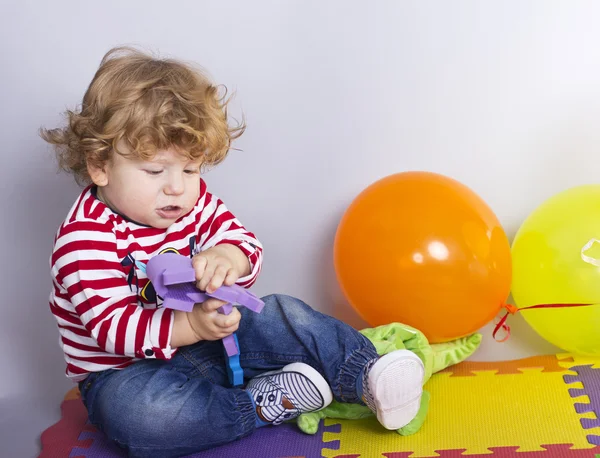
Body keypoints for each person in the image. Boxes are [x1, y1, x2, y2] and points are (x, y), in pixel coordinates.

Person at [42, 46, 425, 457]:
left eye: (190, 169)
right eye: (155, 171)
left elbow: (245, 243)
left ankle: (367, 372)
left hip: (212, 342)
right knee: (142, 418)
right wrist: (191, 326)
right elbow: (114, 328)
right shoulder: (84, 240)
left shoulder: (193, 201)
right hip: (129, 374)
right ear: (100, 166)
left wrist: (228, 256)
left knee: (281, 312)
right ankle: (264, 402)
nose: (177, 187)